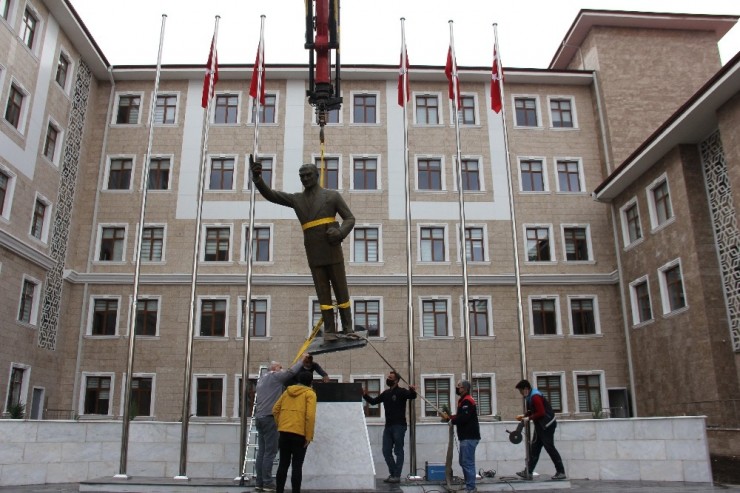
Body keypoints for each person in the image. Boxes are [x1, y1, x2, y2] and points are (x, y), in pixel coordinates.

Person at [250, 155, 356, 342]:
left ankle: (348, 327)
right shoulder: (296, 199)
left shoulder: (332, 196)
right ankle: (330, 330)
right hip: (314, 251)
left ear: (316, 175)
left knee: (341, 289)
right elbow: (272, 195)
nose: (305, 179)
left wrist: (340, 233)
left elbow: (350, 218)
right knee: (322, 292)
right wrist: (258, 179)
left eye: (308, 175)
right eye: (302, 176)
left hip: (332, 248)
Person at [253, 356, 307, 492]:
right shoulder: (275, 376)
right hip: (270, 418)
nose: (281, 369)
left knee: (262, 451)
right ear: (275, 369)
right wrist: (302, 359)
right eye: (280, 367)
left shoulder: (262, 379)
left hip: (259, 417)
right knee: (270, 452)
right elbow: (290, 372)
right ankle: (267, 483)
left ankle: (259, 482)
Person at [362, 370, 417, 483]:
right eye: (388, 377)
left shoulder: (402, 392)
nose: (388, 379)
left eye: (391, 377)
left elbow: (412, 396)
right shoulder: (386, 393)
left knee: (398, 451)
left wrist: (412, 390)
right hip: (388, 426)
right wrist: (364, 395)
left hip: (399, 426)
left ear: (396, 380)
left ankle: (396, 475)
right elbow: (373, 402)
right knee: (386, 451)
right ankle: (393, 474)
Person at [273, 370, 317, 493]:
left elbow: (275, 409)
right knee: (297, 466)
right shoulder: (310, 394)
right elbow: (310, 416)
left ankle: (279, 491)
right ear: (310, 382)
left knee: (283, 464)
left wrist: (281, 425)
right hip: (300, 434)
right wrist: (308, 436)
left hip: (284, 432)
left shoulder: (287, 392)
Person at [514, 379, 566, 481]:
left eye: (520, 391)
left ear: (526, 389)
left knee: (549, 447)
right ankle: (528, 471)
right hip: (541, 425)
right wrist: (524, 416)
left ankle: (561, 472)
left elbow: (541, 412)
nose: (520, 393)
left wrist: (528, 418)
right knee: (535, 448)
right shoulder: (529, 397)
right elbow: (531, 411)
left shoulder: (535, 397)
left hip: (547, 424)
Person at [441, 380, 481, 493]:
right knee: (464, 462)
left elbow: (464, 417)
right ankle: (470, 486)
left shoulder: (467, 401)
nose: (457, 388)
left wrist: (452, 421)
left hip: (469, 437)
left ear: (466, 389)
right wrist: (450, 417)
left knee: (467, 462)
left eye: (459, 387)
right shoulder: (463, 400)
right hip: (466, 437)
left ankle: (471, 488)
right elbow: (460, 415)